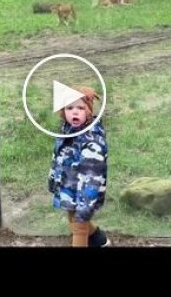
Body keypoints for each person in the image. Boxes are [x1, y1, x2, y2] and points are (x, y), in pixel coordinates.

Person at [47, 85, 110, 247]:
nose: (74, 112)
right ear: (63, 111)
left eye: (80, 108)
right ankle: (98, 239)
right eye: (69, 108)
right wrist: (54, 179)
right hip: (68, 186)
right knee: (71, 216)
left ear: (89, 111)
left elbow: (92, 176)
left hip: (84, 193)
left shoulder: (92, 140)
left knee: (78, 227)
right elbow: (59, 156)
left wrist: (85, 204)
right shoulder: (66, 130)